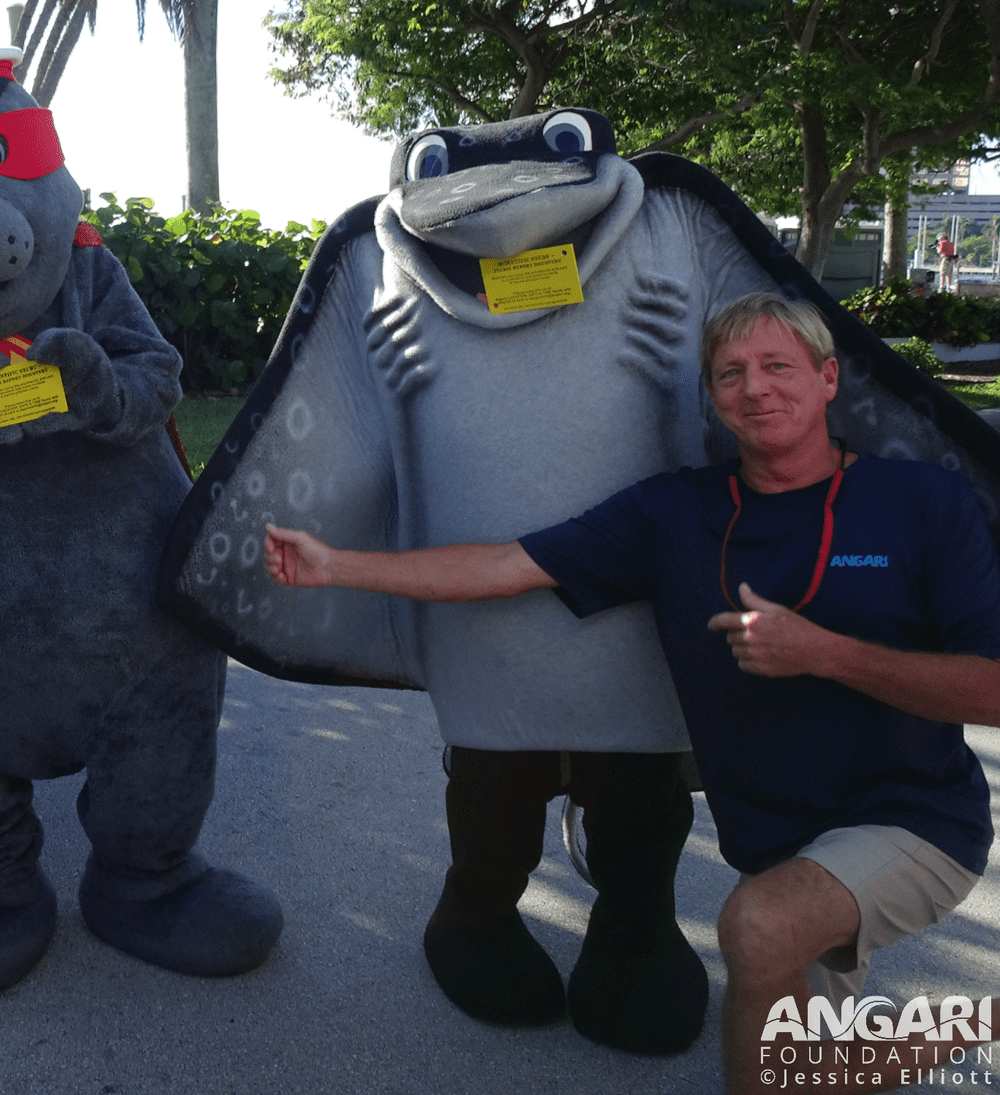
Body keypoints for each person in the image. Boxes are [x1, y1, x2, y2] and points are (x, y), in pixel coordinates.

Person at [264, 291, 1000, 1095]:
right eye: (731, 374)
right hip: (776, 844)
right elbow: (501, 566)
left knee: (757, 930)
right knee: (798, 1069)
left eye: (778, 366)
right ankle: (982, 1023)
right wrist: (336, 565)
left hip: (913, 822)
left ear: (828, 379)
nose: (755, 388)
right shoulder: (675, 511)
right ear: (712, 400)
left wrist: (824, 654)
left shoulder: (923, 501)